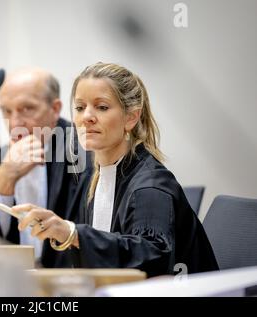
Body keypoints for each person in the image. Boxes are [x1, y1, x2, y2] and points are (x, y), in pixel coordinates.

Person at [13, 62, 218, 276]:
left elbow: (152, 257)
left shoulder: (150, 186)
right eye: (80, 107)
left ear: (131, 117)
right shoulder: (95, 177)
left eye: (101, 107)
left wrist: (73, 234)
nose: (87, 117)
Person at [0, 67, 89, 267]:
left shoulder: (84, 151)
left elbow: (88, 235)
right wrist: (3, 183)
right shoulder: (0, 158)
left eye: (27, 108)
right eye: (6, 111)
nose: (14, 123)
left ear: (55, 109)